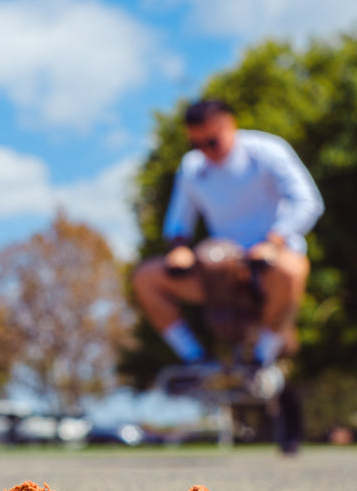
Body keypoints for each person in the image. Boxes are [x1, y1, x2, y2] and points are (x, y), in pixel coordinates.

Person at [133, 98, 323, 370]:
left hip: (268, 263)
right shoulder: (193, 167)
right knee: (146, 278)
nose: (205, 151)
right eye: (196, 144)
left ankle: (262, 359)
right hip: (221, 268)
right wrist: (178, 248)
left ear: (230, 125)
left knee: (292, 270)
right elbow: (178, 222)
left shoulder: (267, 150)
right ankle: (196, 359)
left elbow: (308, 202)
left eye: (211, 142)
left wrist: (274, 242)